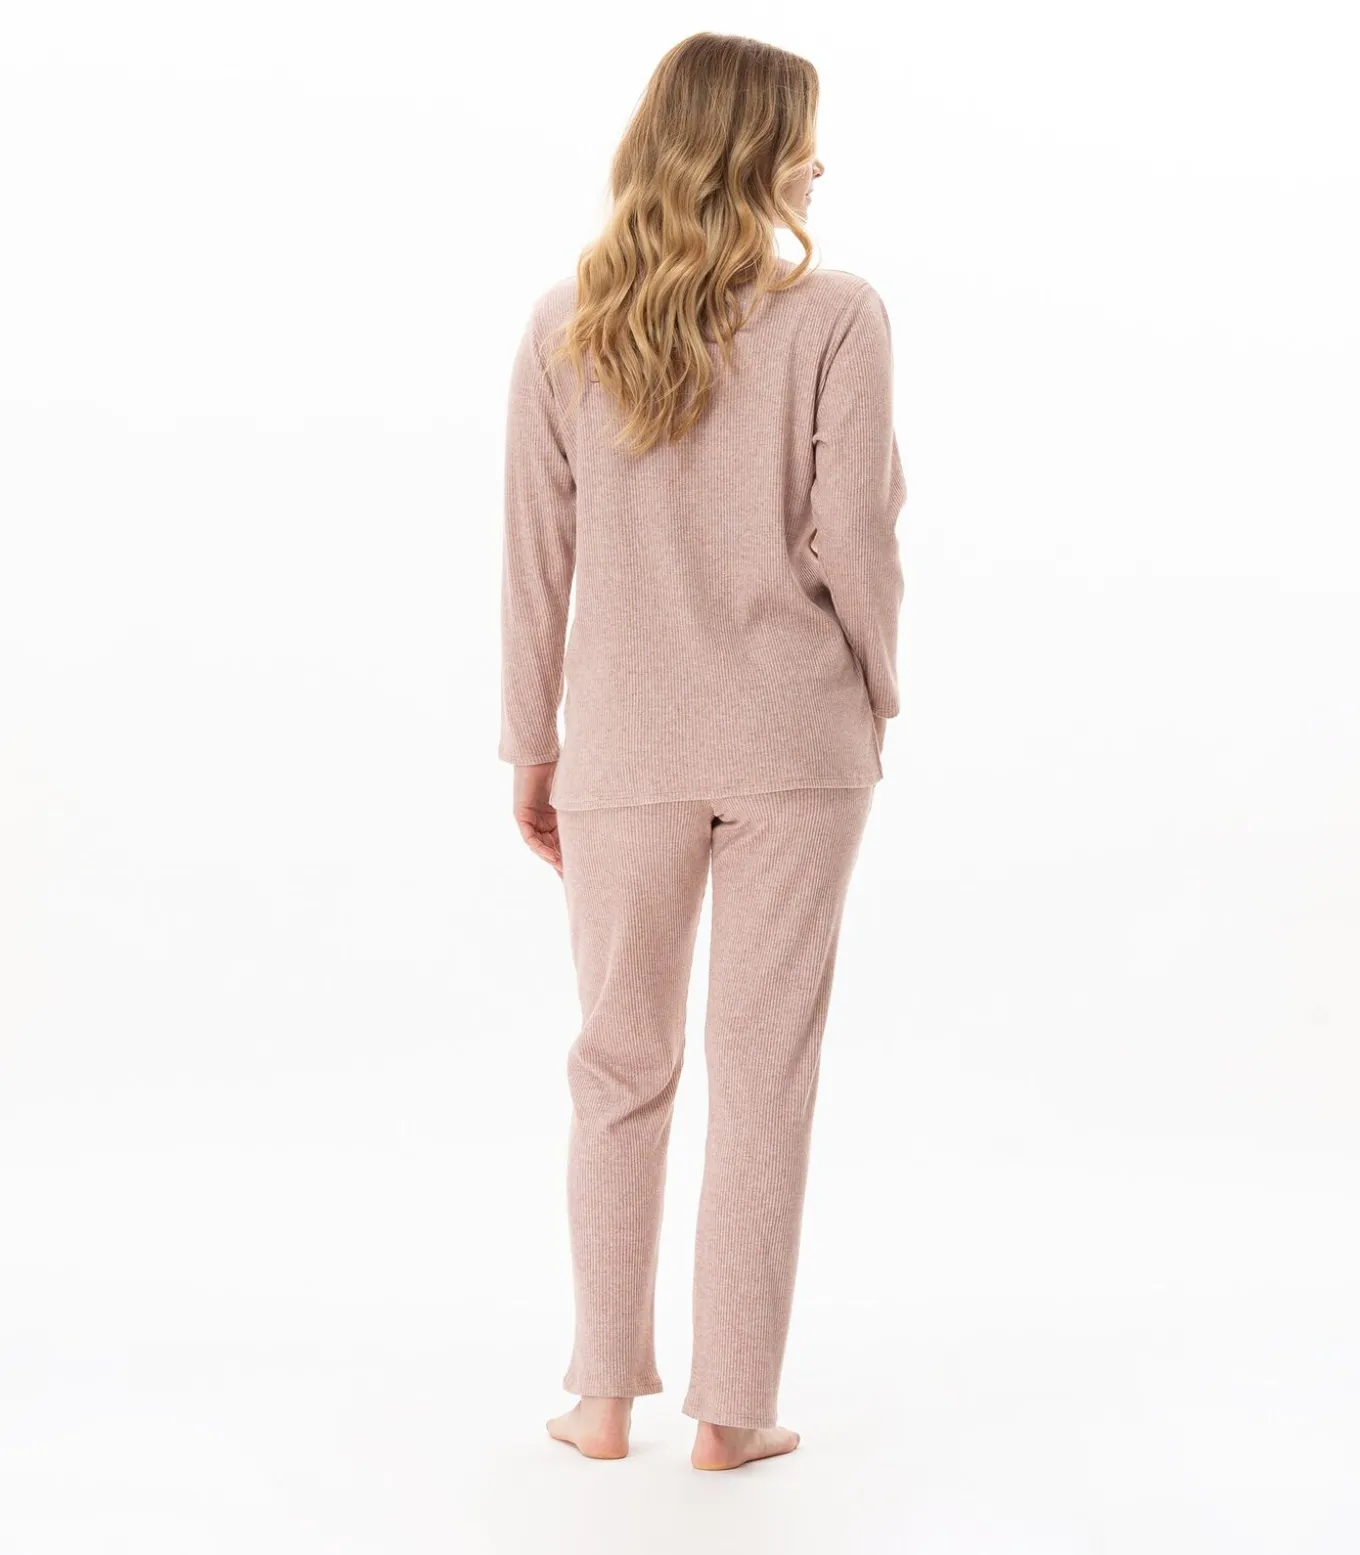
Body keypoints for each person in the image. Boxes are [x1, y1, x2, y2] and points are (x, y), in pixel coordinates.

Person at [498, 31, 906, 1472]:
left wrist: (530, 743)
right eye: (803, 136)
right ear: (756, 151)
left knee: (619, 1061)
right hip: (799, 741)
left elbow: (533, 562)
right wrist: (874, 688)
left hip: (621, 742)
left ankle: (603, 1399)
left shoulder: (566, 325)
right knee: (765, 1072)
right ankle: (732, 1414)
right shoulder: (838, 317)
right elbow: (855, 537)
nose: (819, 162)